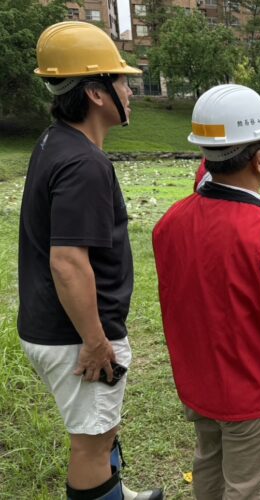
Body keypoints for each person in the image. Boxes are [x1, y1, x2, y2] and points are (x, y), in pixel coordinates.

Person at [152, 84, 260, 499]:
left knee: (209, 470)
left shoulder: (169, 222)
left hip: (197, 386)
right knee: (248, 487)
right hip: (251, 397)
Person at [17, 21, 163, 500]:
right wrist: (96, 342)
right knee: (91, 444)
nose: (131, 91)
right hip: (74, 336)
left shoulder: (55, 142)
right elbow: (67, 263)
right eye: (122, 81)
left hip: (55, 326)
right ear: (97, 93)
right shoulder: (84, 164)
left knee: (102, 426)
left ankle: (115, 491)